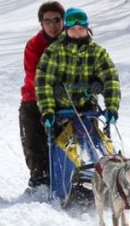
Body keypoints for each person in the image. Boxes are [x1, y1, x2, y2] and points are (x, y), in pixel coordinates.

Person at [35, 7, 120, 140]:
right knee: (65, 150)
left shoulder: (97, 52)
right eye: (73, 30)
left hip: (88, 110)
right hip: (60, 112)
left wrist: (111, 107)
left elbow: (111, 79)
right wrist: (47, 110)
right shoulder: (54, 52)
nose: (77, 33)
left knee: (95, 145)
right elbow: (43, 82)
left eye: (81, 29)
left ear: (87, 29)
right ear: (66, 30)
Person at [19, 1, 65, 189]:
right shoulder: (34, 45)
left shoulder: (74, 38)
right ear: (41, 23)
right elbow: (33, 75)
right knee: (35, 140)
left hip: (69, 100)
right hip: (36, 100)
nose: (52, 25)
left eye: (56, 20)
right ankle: (39, 176)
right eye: (47, 21)